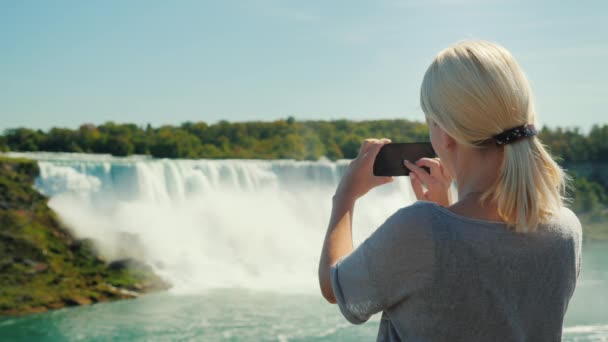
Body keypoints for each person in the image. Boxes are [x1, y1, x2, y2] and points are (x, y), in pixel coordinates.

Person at [318, 40, 582, 341]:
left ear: (445, 134)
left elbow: (334, 287)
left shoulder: (419, 229)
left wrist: (345, 196)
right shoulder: (566, 231)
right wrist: (446, 213)